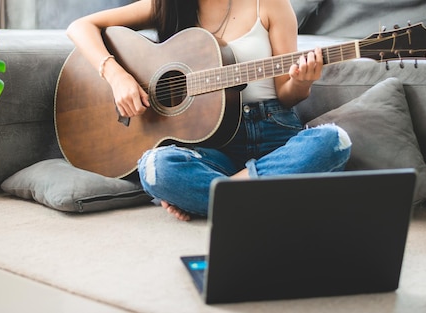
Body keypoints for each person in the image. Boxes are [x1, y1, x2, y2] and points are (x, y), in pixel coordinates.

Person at [67, 0, 351, 221]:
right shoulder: (167, 6)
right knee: (156, 167)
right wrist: (117, 76)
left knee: (333, 142)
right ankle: (264, 192)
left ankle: (218, 197)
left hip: (276, 135)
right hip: (215, 146)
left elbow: (287, 96)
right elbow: (80, 26)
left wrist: (302, 82)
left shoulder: (269, 3)